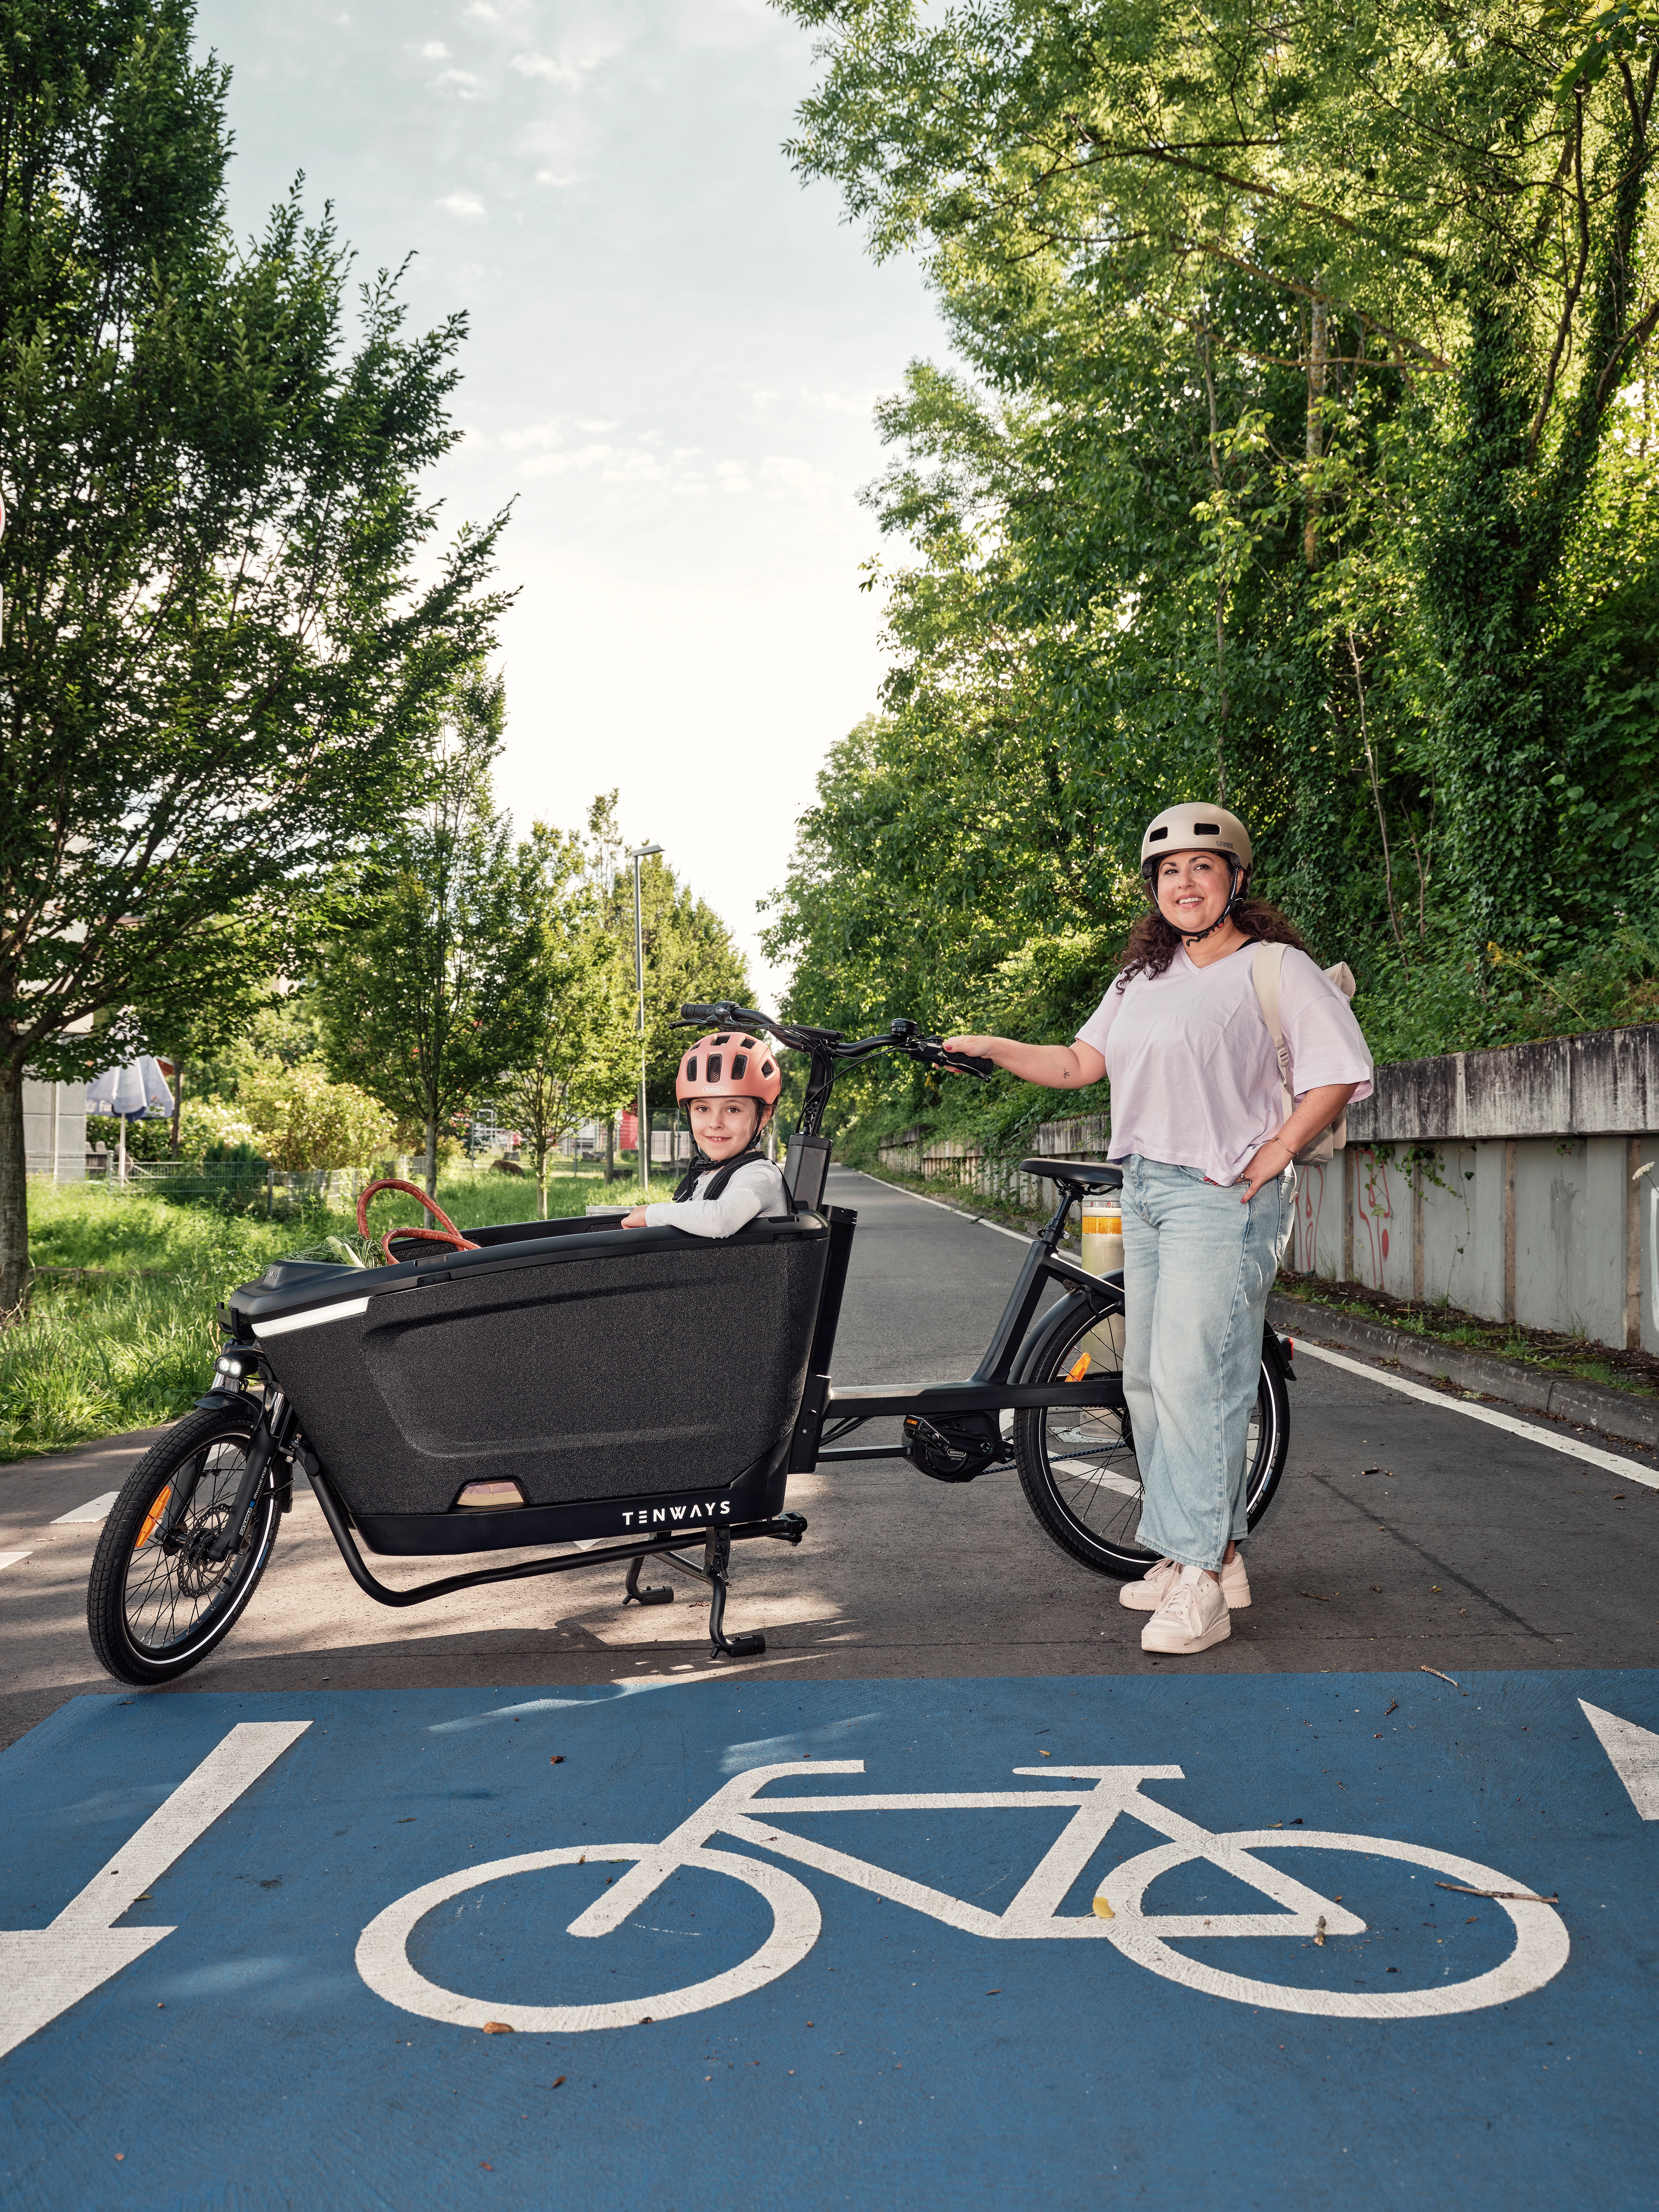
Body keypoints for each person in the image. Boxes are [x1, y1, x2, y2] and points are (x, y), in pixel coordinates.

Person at [947, 802, 1373, 1656]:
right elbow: (1077, 1065)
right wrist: (992, 1046)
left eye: (1201, 867)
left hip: (1221, 1197)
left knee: (1197, 1385)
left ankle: (1201, 1580)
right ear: (1154, 887)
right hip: (1142, 1190)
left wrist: (1276, 1151)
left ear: (1234, 880)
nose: (1184, 881)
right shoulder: (1140, 979)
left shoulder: (1274, 969)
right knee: (1146, 1379)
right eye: (1168, 870)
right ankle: (1207, 1557)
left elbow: (1337, 1074)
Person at [619, 1029, 789, 1237]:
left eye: (732, 1110)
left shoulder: (761, 1175)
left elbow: (721, 1220)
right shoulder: (708, 1173)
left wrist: (651, 1213)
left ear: (763, 1116)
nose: (715, 1123)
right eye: (703, 1109)